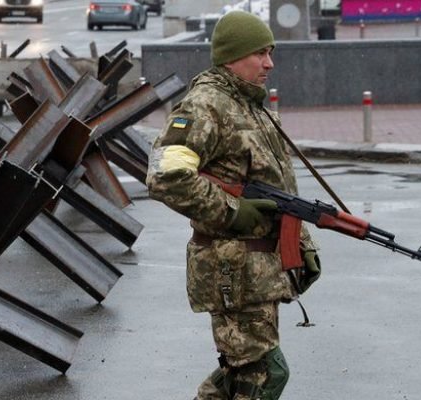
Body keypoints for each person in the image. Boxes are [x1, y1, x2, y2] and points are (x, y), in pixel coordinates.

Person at [146, 11, 321, 400]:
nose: (269, 63)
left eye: (271, 52)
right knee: (264, 373)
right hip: (233, 270)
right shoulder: (206, 105)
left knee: (242, 376)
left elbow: (277, 193)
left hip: (257, 271)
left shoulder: (250, 106)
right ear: (232, 56)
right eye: (260, 53)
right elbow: (165, 175)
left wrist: (301, 244)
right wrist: (231, 211)